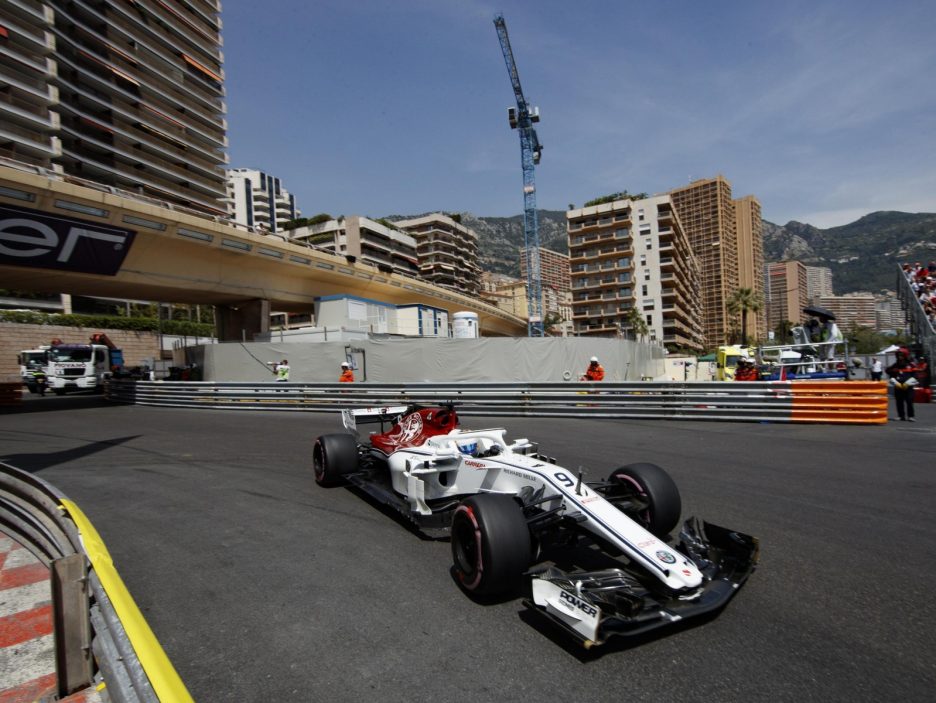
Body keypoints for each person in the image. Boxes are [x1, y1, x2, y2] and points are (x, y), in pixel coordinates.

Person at [886, 348, 916, 422]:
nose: (900, 356)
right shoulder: (895, 365)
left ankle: (911, 416)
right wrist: (895, 382)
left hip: (908, 386)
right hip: (898, 386)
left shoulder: (911, 365)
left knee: (909, 401)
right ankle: (901, 416)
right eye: (898, 355)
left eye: (901, 355)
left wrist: (908, 383)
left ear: (905, 356)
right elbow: (888, 371)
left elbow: (915, 376)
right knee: (899, 402)